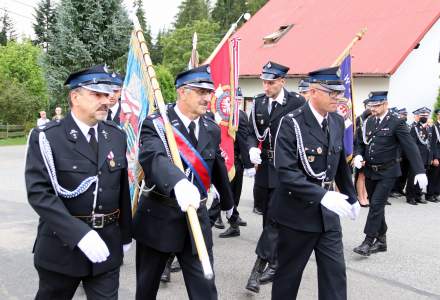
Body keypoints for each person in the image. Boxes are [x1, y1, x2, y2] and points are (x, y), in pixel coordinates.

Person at [24, 65, 133, 299]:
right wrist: (80, 234)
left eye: (108, 94)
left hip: (107, 245)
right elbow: (39, 193)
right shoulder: (47, 137)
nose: (106, 100)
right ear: (75, 96)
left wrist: (125, 234)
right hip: (61, 247)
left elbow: (121, 188)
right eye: (97, 94)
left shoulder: (115, 135)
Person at [132, 65, 234, 300]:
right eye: (200, 91)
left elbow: (216, 165)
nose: (207, 98)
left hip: (196, 220)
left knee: (205, 289)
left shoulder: (210, 127)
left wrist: (229, 204)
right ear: (182, 92)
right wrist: (178, 183)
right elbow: (153, 158)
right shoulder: (157, 124)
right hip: (159, 217)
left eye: (209, 92)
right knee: (146, 289)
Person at [271, 66, 359, 300]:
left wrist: (351, 197)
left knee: (335, 275)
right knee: (289, 276)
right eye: (331, 93)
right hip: (296, 214)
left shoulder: (338, 121)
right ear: (313, 92)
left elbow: (340, 164)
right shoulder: (292, 123)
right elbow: (286, 172)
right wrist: (323, 195)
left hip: (328, 217)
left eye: (338, 93)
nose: (336, 97)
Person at [245, 61, 305, 293]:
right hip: (265, 166)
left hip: (286, 168)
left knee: (274, 219)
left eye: (271, 82)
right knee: (266, 215)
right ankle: (276, 258)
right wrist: (251, 148)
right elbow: (251, 132)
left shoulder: (296, 103)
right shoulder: (259, 101)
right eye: (264, 82)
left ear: (282, 81)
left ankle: (259, 269)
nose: (266, 86)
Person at [353, 92, 427, 256]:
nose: (373, 109)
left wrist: (420, 171)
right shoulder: (369, 122)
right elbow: (360, 142)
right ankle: (382, 240)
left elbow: (410, 147)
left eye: (376, 105)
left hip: (388, 172)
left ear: (385, 104)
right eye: (371, 106)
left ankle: (368, 241)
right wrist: (358, 154)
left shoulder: (397, 122)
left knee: (377, 205)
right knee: (375, 206)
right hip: (371, 171)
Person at [219, 87, 255, 238]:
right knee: (224, 195)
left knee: (229, 195)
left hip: (234, 162)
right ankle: (226, 219)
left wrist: (248, 165)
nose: (238, 102)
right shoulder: (224, 116)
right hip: (224, 159)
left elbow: (243, 142)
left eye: (239, 99)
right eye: (236, 99)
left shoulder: (239, 116)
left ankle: (227, 221)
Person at [406, 107, 432, 205]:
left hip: (426, 157)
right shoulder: (414, 128)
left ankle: (418, 195)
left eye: (426, 115)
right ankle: (410, 196)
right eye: (422, 115)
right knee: (413, 177)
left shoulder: (429, 128)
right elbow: (412, 144)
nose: (424, 117)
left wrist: (430, 157)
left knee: (422, 177)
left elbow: (430, 144)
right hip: (417, 157)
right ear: (418, 116)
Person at [390, 108, 410, 197]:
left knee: (403, 174)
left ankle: (400, 189)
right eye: (403, 115)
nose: (404, 116)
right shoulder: (395, 125)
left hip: (405, 154)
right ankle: (393, 190)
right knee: (395, 174)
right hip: (398, 154)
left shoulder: (407, 126)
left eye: (405, 115)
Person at [426, 108, 440, 202]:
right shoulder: (434, 126)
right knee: (433, 175)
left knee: (439, 176)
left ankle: (436, 193)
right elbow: (433, 144)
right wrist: (435, 157)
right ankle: (430, 194)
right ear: (438, 115)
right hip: (437, 155)